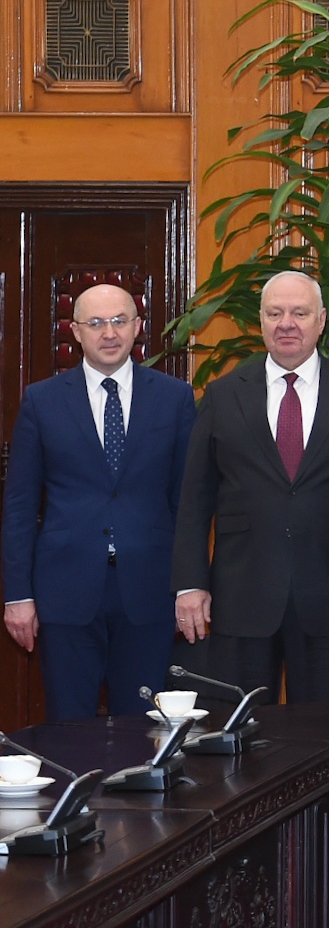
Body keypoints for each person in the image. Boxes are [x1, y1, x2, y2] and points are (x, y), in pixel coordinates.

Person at [171, 271, 329, 702]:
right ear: (260, 322)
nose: (287, 324)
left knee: (326, 735)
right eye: (275, 313)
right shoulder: (223, 396)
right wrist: (189, 584)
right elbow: (194, 498)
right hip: (243, 596)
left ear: (321, 321)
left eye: (299, 313)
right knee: (240, 739)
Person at [2, 284, 195, 721]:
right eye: (95, 323)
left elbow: (189, 502)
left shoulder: (175, 398)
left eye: (119, 320)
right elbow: (19, 505)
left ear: (138, 327)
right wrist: (17, 594)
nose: (109, 333)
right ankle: (77, 793)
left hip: (150, 590)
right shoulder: (42, 400)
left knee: (143, 727)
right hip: (65, 590)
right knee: (68, 726)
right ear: (75, 331)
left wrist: (189, 584)